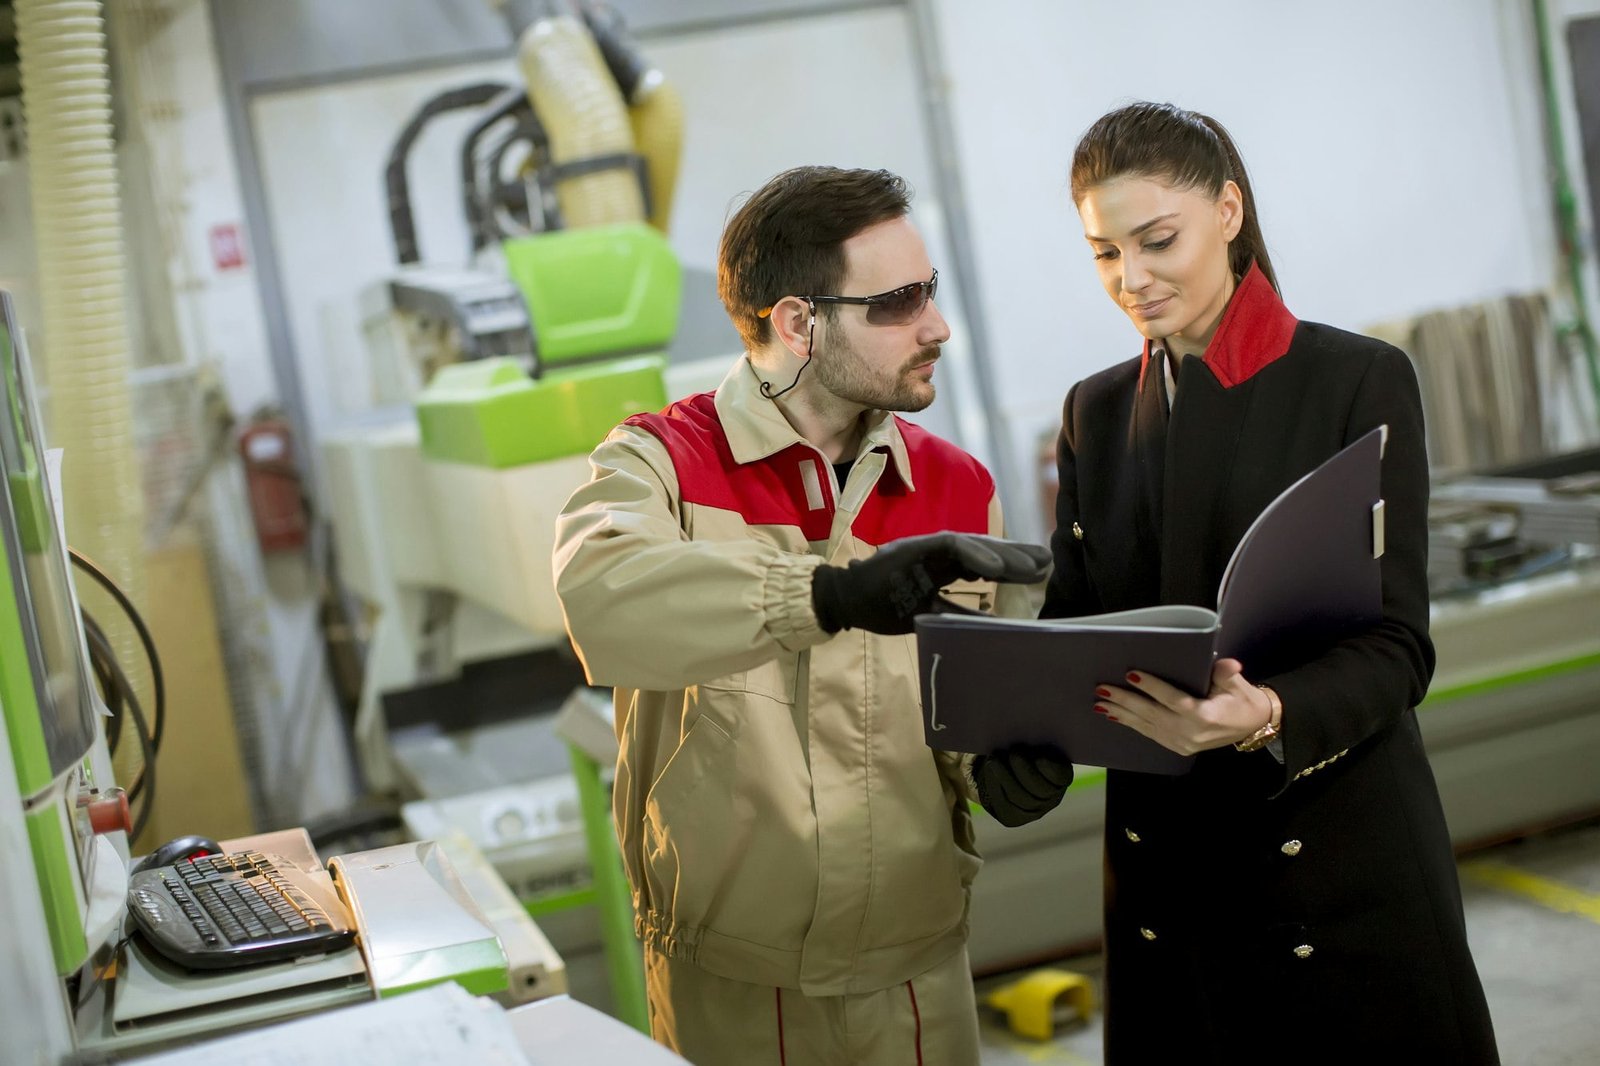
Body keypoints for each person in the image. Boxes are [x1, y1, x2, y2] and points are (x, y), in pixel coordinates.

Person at [971, 103, 1500, 1064]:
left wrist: (1265, 716)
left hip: (1333, 873)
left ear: (1228, 210)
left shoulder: (1355, 380)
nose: (1131, 279)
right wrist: (1014, 741)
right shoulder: (1093, 414)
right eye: (1102, 254)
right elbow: (1076, 632)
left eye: (1156, 240)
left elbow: (1395, 648)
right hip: (1168, 891)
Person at [552, 165, 1050, 1066]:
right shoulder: (660, 463)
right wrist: (818, 593)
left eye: (929, 292)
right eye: (898, 302)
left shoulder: (957, 487)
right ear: (797, 323)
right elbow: (604, 600)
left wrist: (995, 767)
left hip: (918, 976)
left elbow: (968, 705)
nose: (937, 326)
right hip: (733, 991)